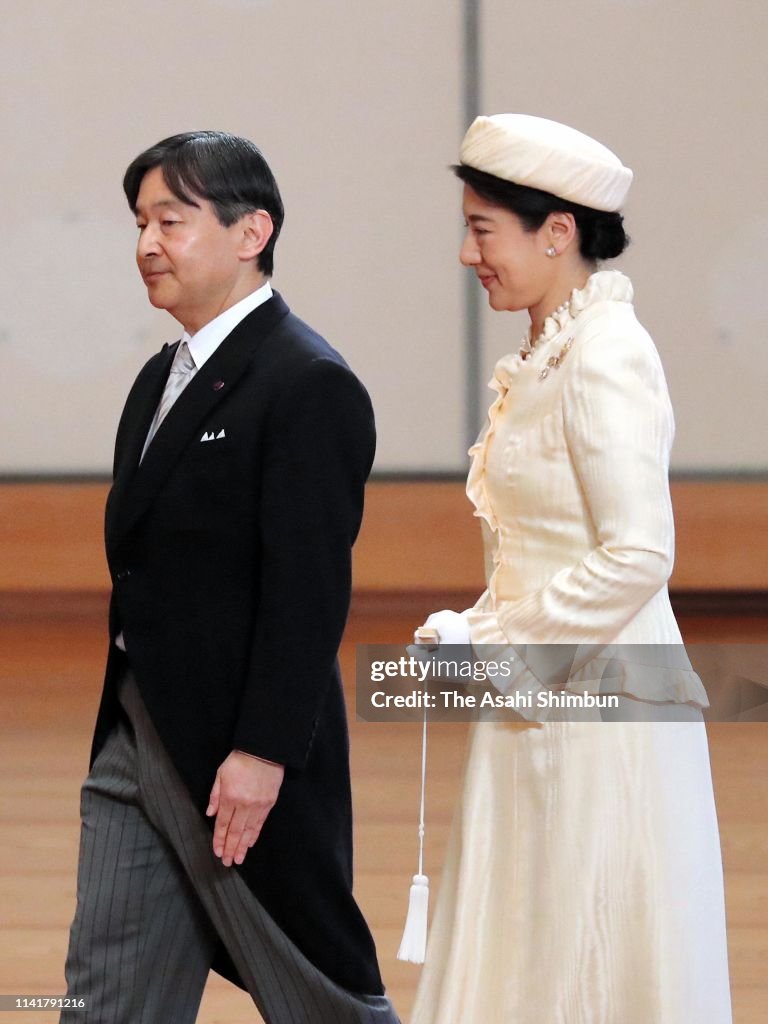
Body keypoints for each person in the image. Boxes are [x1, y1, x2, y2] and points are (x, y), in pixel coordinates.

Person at [60, 130, 399, 1024]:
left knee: (318, 994)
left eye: (171, 219)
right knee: (108, 991)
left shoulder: (308, 382)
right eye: (139, 222)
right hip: (135, 729)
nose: (146, 244)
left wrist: (262, 752)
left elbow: (308, 591)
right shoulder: (156, 378)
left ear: (253, 232)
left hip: (234, 755)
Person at [409, 115, 733, 1023]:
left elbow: (639, 552)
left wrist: (495, 637)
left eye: (483, 230)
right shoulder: (546, 354)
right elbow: (539, 544)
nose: (468, 252)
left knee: (588, 948)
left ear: (557, 233)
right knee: (531, 943)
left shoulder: (607, 353)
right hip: (537, 693)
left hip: (603, 710)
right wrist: (470, 625)